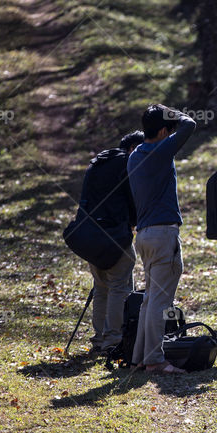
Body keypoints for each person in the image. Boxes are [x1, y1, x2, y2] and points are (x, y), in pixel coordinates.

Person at [126, 104, 196, 374]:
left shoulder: (134, 155)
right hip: (163, 233)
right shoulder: (160, 150)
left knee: (148, 300)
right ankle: (155, 360)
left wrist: (161, 115)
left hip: (143, 236)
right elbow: (190, 124)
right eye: (169, 131)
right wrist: (172, 111)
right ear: (165, 131)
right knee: (159, 301)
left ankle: (140, 358)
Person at [77, 130, 145, 355]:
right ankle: (114, 341)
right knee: (119, 288)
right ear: (134, 148)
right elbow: (133, 198)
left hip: (90, 235)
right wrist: (136, 222)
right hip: (116, 234)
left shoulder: (98, 162)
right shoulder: (127, 163)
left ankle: (99, 340)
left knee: (101, 288)